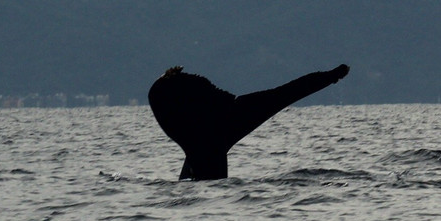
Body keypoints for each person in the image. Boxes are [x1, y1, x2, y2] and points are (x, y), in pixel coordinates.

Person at [148, 64, 350, 180]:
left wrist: (330, 77)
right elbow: (288, 92)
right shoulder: (226, 123)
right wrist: (330, 77)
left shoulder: (197, 135)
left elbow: (290, 91)